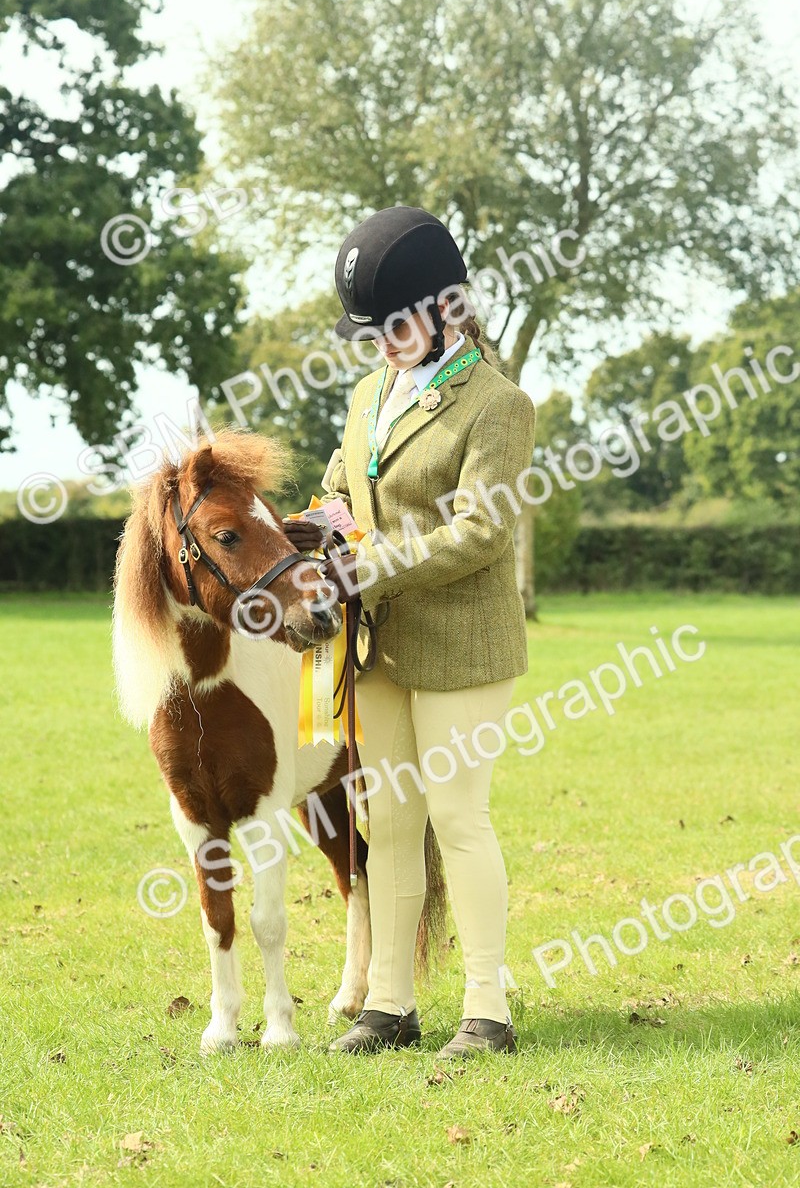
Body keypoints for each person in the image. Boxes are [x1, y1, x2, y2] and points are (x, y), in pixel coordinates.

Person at [285, 206, 536, 1058]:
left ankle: (487, 1010)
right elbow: (340, 484)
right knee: (387, 820)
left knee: (459, 818)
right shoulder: (367, 397)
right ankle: (388, 1004)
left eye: (397, 322)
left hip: (463, 644)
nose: (384, 341)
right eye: (373, 329)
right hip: (376, 644)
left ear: (448, 307)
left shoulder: (498, 405)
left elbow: (480, 532)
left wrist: (370, 568)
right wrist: (322, 520)